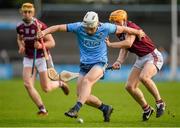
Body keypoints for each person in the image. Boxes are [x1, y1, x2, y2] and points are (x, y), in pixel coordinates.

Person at [37, 11, 144, 122]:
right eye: (87, 28)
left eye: (91, 28)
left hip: (100, 63)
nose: (89, 31)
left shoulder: (107, 27)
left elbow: (124, 29)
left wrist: (138, 32)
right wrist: (44, 32)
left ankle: (76, 109)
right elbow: (58, 27)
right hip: (84, 66)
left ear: (97, 24)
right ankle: (105, 108)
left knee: (87, 82)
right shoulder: (78, 27)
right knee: (83, 95)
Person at [106, 10, 165, 121]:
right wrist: (119, 61)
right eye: (113, 22)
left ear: (124, 20)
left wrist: (110, 44)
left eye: (117, 21)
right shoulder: (120, 32)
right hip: (141, 58)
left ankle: (160, 102)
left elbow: (128, 43)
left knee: (144, 77)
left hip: (152, 56)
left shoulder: (131, 27)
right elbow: (125, 48)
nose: (115, 24)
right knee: (129, 86)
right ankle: (147, 109)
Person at [16, 3, 69, 116]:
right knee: (27, 84)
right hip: (28, 58)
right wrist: (21, 45)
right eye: (25, 12)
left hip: (41, 58)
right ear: (21, 12)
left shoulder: (39, 26)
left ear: (33, 13)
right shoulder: (19, 27)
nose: (27, 14)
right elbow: (20, 38)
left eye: (29, 12)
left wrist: (40, 46)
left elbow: (52, 43)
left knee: (46, 88)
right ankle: (42, 109)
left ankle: (60, 83)